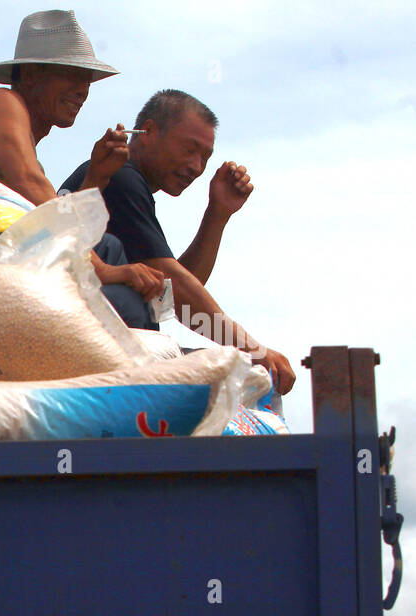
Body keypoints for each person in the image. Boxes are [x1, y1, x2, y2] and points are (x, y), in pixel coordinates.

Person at [0, 10, 166, 326]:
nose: (83, 89)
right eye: (71, 74)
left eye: (87, 79)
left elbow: (46, 221)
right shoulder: (3, 103)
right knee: (125, 301)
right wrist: (104, 271)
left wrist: (98, 175)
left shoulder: (22, 134)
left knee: (107, 246)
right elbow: (30, 184)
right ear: (30, 75)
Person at [60, 90, 295, 393]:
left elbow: (170, 298)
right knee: (247, 377)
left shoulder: (130, 181)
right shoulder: (121, 176)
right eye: (189, 149)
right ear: (149, 132)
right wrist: (254, 350)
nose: (197, 166)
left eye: (205, 157)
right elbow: (180, 294)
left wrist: (217, 214)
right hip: (84, 353)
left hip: (98, 347)